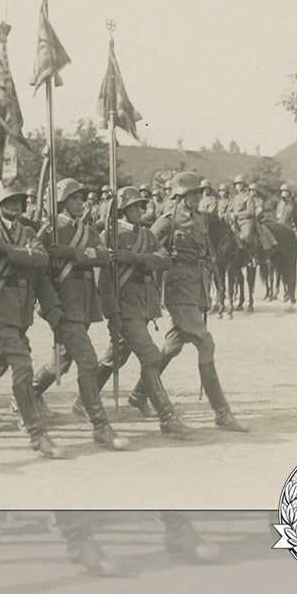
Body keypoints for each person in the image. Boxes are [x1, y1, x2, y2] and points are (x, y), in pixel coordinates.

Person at [128, 171, 249, 433]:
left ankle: (139, 394)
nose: (199, 198)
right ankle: (222, 412)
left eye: (199, 194)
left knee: (172, 346)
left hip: (197, 286)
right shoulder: (167, 222)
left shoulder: (202, 220)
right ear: (181, 196)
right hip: (178, 289)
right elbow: (144, 249)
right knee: (206, 342)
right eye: (194, 194)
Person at [0, 180, 67, 459]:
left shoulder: (27, 232)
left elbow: (41, 260)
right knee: (23, 365)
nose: (15, 205)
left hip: (20, 312)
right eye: (9, 201)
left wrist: (6, 250)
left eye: (19, 201)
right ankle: (37, 433)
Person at [84, 186, 195, 439]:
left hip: (144, 305)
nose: (140, 210)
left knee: (115, 358)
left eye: (141, 206)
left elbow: (165, 258)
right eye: (134, 206)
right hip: (124, 307)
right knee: (151, 355)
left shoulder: (146, 234)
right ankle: (167, 418)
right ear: (122, 208)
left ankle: (83, 400)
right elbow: (103, 280)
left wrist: (135, 258)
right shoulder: (109, 236)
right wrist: (111, 313)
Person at [30, 178, 129, 449]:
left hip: (84, 304)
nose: (80, 202)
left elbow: (104, 256)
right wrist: (49, 306)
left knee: (62, 361)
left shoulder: (86, 229)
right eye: (74, 198)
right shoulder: (50, 230)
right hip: (63, 305)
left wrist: (73, 253)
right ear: (62, 201)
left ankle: (28, 394)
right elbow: (37, 264)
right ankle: (100, 425)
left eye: (81, 198)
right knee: (87, 360)